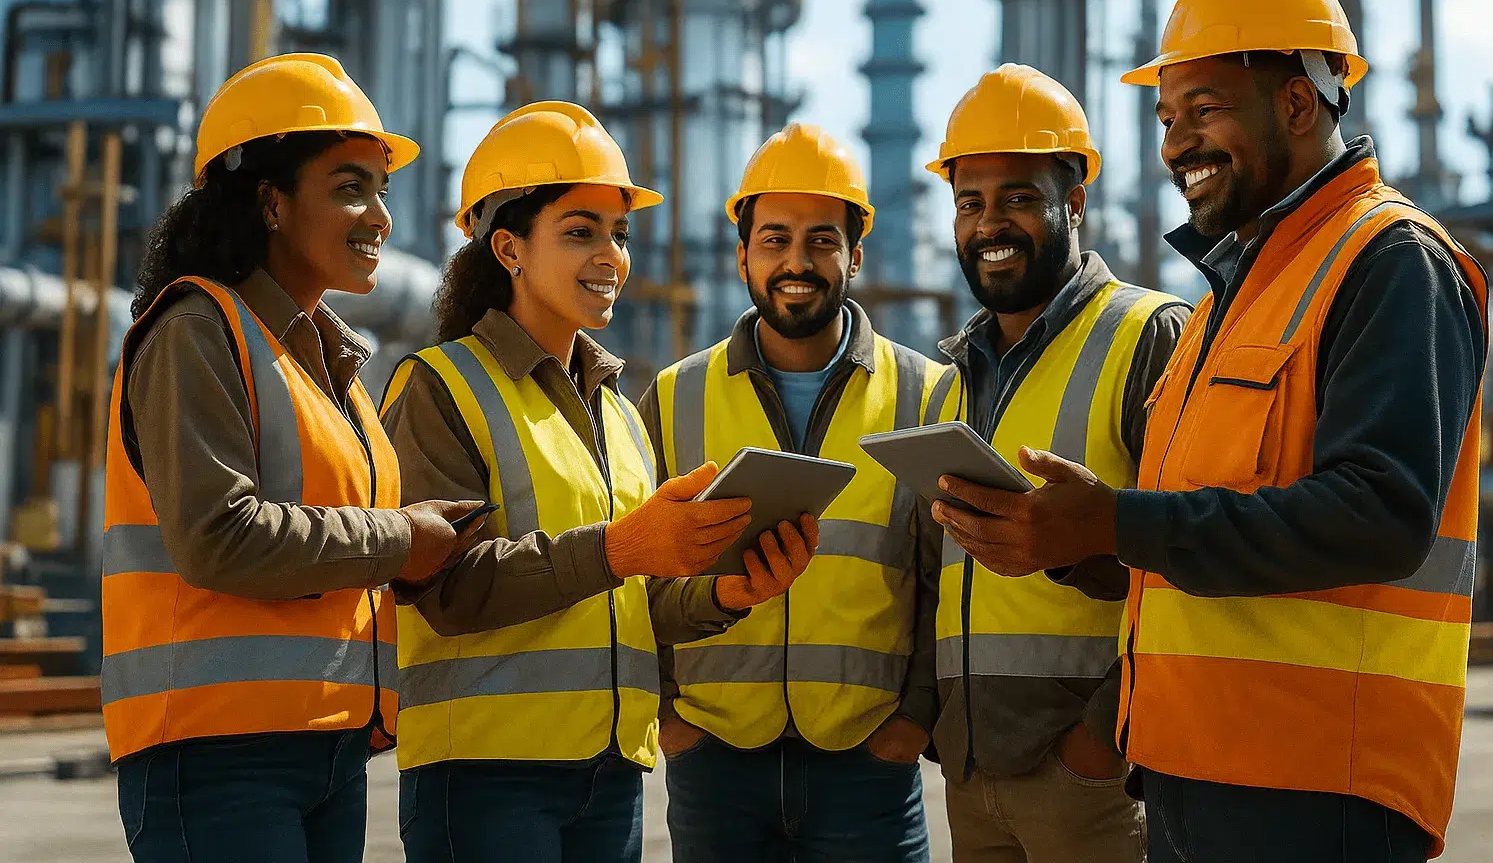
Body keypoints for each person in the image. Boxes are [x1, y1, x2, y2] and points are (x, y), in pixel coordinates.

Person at [935, 0, 1487, 863]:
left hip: (1315, 787)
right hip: (1196, 775)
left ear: (1300, 105)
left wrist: (1112, 520)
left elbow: (1382, 514)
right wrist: (1075, 543)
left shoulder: (1390, 261)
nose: (1175, 144)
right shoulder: (1235, 296)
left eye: (1204, 110)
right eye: (1165, 118)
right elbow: (1188, 539)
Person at [379, 101, 815, 863]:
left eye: (621, 234)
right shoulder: (440, 387)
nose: (611, 255)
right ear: (508, 247)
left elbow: (624, 603)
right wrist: (620, 546)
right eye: (581, 231)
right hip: (487, 780)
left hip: (610, 777)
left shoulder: (616, 409)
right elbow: (444, 591)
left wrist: (723, 595)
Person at [102, 53, 486, 863]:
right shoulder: (196, 332)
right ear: (271, 203)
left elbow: (353, 543)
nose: (380, 216)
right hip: (216, 758)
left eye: (382, 191)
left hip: (329, 748)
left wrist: (418, 557)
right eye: (351, 187)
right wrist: (397, 540)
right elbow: (217, 537)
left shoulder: (328, 366)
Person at [635, 122, 952, 862]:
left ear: (855, 254)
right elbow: (633, 571)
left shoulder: (926, 393)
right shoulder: (676, 396)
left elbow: (949, 579)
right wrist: (670, 717)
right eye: (775, 240)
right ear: (743, 254)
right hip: (716, 758)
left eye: (821, 240)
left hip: (866, 762)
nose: (797, 262)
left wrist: (914, 722)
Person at [918, 64, 1188, 863]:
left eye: (1018, 198)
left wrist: (1100, 746)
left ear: (1073, 203)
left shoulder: (1149, 335)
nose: (989, 223)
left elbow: (1193, 560)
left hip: (1092, 780)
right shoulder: (951, 381)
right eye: (969, 202)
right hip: (972, 772)